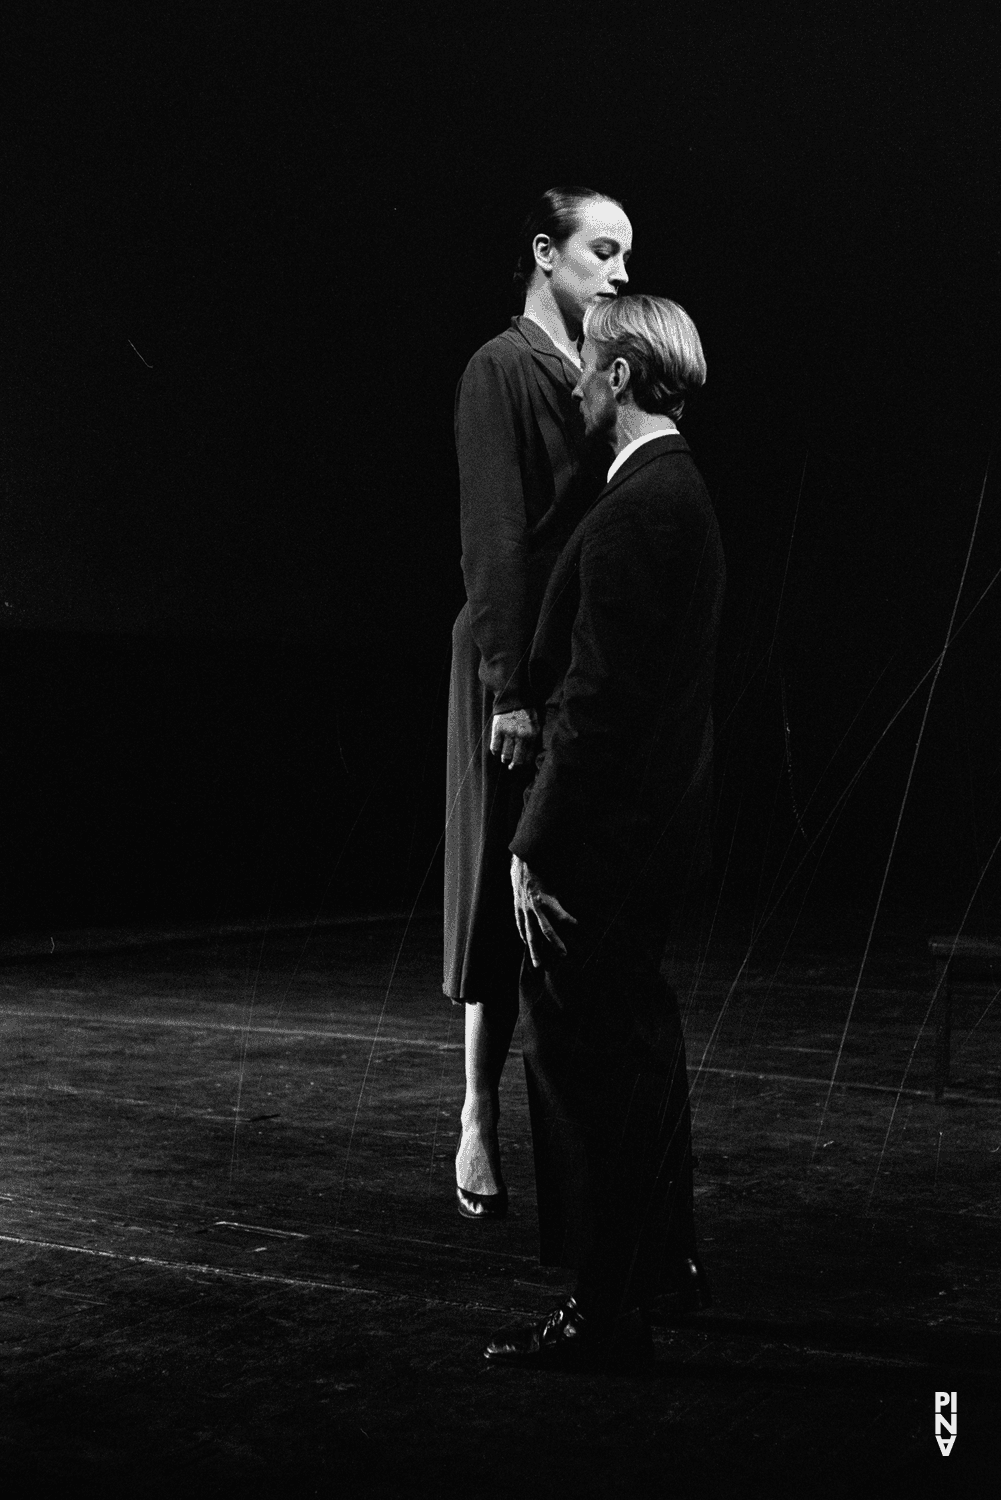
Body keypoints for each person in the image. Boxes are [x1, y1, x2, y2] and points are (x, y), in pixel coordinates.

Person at [482, 294, 725, 1367]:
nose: (574, 377)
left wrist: (533, 842)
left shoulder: (638, 510)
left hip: (601, 835)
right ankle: (660, 1270)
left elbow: (595, 702)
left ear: (620, 377)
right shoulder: (676, 493)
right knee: (635, 1043)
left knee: (581, 1061)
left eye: (585, 361)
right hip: (650, 826)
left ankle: (603, 1306)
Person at [445, 188, 633, 1218]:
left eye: (624, 258)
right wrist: (506, 688)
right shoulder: (498, 370)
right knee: (492, 892)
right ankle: (475, 1114)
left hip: (569, 656)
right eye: (600, 252)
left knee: (557, 890)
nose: (615, 273)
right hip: (509, 665)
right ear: (543, 252)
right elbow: (496, 537)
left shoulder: (593, 376)